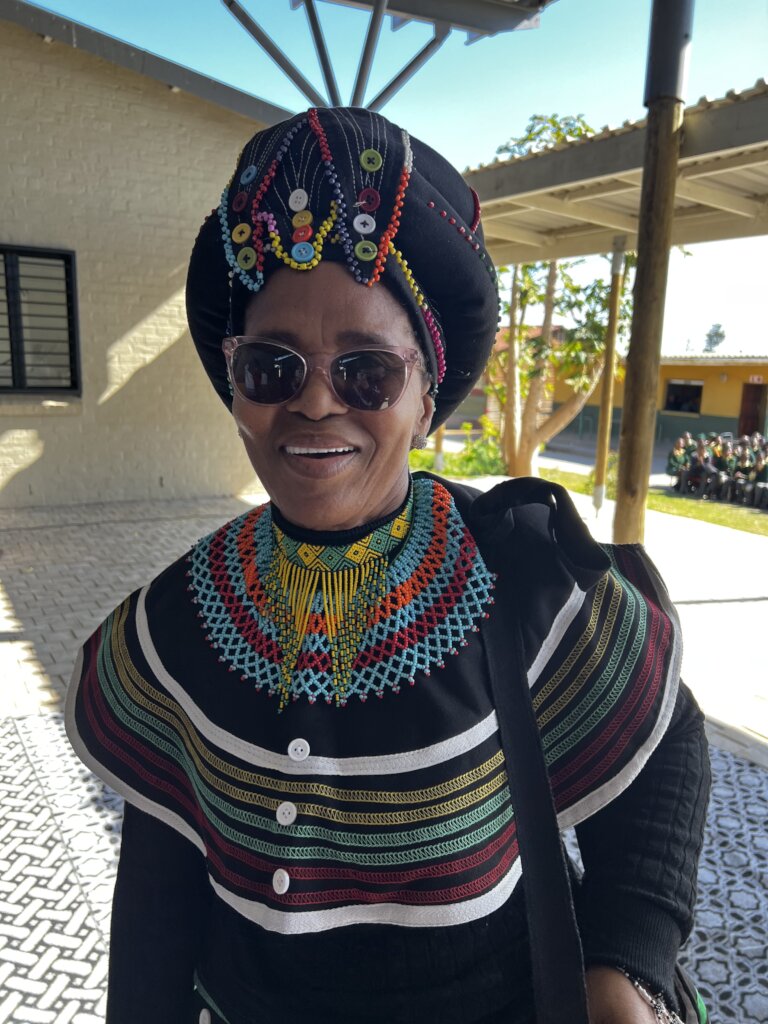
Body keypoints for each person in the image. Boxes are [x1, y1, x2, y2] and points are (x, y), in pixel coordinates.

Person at [65, 107, 710, 1024]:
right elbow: (158, 901)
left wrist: (622, 974)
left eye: (366, 370)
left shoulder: (523, 578)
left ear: (425, 396)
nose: (317, 403)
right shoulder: (178, 622)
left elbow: (666, 745)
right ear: (236, 387)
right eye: (273, 368)